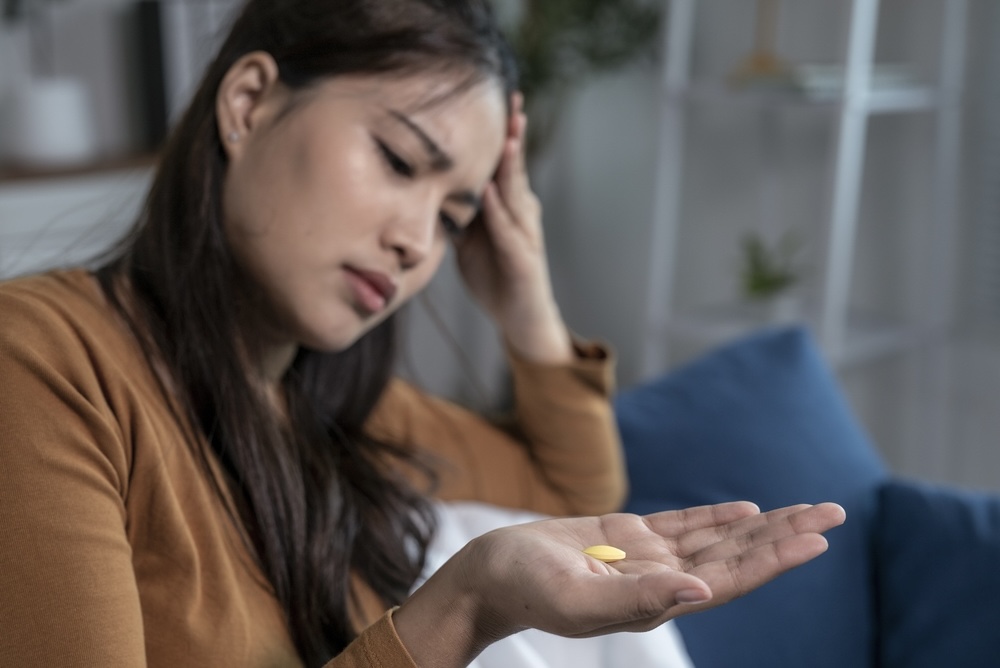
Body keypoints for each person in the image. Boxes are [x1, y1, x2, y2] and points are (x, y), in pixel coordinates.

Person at [0, 0, 846, 666]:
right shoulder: (44, 365)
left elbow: (566, 495)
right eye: (400, 161)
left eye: (454, 216)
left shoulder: (330, 402)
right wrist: (463, 609)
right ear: (249, 102)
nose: (416, 242)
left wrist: (528, 309)